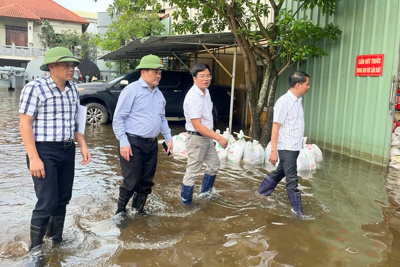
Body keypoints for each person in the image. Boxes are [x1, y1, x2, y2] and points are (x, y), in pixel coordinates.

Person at [19, 47, 91, 250]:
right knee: (47, 200)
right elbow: (24, 124)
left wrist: (83, 145)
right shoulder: (35, 89)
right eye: (66, 65)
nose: (71, 69)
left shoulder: (73, 90)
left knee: (62, 199)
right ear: (51, 66)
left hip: (67, 149)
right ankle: (35, 249)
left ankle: (56, 240)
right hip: (43, 150)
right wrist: (33, 158)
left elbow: (77, 122)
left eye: (73, 65)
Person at [113, 54, 173, 215]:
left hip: (151, 143)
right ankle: (120, 213)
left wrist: (168, 138)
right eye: (155, 72)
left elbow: (162, 118)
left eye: (160, 72)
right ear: (143, 72)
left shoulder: (159, 94)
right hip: (132, 142)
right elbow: (118, 118)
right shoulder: (131, 90)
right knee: (131, 180)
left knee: (146, 181)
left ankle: (137, 211)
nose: (158, 75)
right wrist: (123, 142)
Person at [257, 71, 310, 216]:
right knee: (292, 180)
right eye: (307, 84)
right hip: (286, 147)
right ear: (298, 85)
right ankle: (299, 213)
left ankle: (261, 194)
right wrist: (273, 150)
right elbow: (276, 126)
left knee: (280, 172)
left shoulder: (298, 101)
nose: (308, 87)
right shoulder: (284, 102)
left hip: (294, 147)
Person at [180, 63, 228, 206]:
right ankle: (186, 202)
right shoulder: (193, 97)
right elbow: (198, 125)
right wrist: (218, 137)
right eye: (202, 76)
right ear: (194, 78)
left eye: (208, 76)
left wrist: (213, 136)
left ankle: (205, 194)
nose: (205, 79)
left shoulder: (206, 93)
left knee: (214, 165)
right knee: (193, 172)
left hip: (206, 137)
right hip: (196, 138)